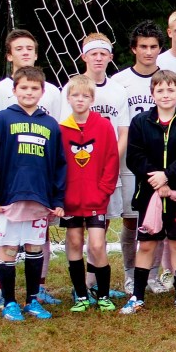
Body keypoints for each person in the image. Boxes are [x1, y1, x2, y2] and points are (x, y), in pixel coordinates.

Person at [0, 66, 66, 321]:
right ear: (15, 90)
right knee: (8, 249)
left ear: (42, 92)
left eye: (34, 88)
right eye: (24, 87)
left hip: (39, 200)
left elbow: (59, 165)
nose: (29, 92)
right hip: (9, 199)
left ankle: (32, 300)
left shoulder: (50, 124)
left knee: (34, 247)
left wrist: (57, 199)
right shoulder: (3, 119)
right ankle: (9, 302)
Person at [120, 70, 176, 314]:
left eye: (170, 90)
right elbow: (135, 157)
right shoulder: (141, 122)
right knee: (146, 245)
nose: (165, 95)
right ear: (152, 94)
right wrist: (158, 182)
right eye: (160, 90)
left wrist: (167, 175)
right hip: (148, 195)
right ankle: (137, 296)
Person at [60, 33, 129, 299]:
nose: (98, 58)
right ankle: (83, 288)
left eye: (103, 53)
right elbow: (62, 139)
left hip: (103, 177)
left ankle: (96, 285)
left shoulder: (118, 91)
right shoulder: (68, 88)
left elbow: (121, 134)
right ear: (84, 56)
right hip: (75, 184)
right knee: (76, 238)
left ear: (110, 57)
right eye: (93, 53)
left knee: (99, 236)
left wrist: (104, 172)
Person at [109, 20, 166, 295]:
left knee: (159, 217)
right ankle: (131, 274)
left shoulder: (168, 79)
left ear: (159, 49)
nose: (148, 52)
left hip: (161, 162)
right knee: (132, 219)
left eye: (153, 46)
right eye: (143, 46)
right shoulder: (120, 82)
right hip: (130, 161)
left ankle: (153, 275)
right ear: (133, 49)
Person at [59, 76, 120, 312]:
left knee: (96, 245)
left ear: (92, 99)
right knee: (74, 242)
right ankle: (81, 296)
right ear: (68, 98)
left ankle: (103, 295)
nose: (80, 100)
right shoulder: (62, 129)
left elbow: (112, 160)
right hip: (71, 200)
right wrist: (61, 195)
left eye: (85, 96)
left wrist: (103, 191)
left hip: (96, 200)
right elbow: (57, 165)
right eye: (75, 95)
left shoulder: (103, 126)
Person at [0, 29, 63, 118]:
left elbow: (56, 124)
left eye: (29, 49)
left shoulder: (52, 91)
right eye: (19, 49)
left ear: (36, 55)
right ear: (9, 56)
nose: (25, 53)